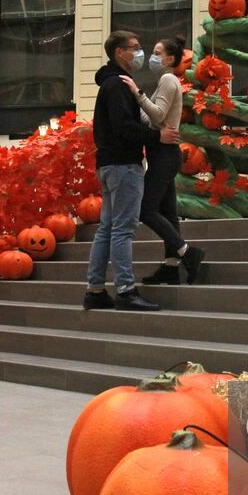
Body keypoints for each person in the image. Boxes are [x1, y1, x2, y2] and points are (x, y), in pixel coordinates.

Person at [84, 31, 176, 312]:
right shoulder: (118, 86)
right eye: (134, 48)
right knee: (123, 229)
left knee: (107, 229)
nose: (140, 53)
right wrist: (156, 137)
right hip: (124, 165)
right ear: (119, 53)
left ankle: (96, 290)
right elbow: (124, 126)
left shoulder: (112, 84)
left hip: (109, 165)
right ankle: (126, 290)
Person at [121, 35, 206, 285]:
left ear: (169, 59)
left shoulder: (169, 79)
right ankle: (171, 267)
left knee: (146, 209)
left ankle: (187, 252)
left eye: (157, 53)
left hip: (165, 155)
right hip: (162, 153)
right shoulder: (165, 81)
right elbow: (153, 120)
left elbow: (157, 113)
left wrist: (137, 93)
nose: (152, 57)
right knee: (168, 213)